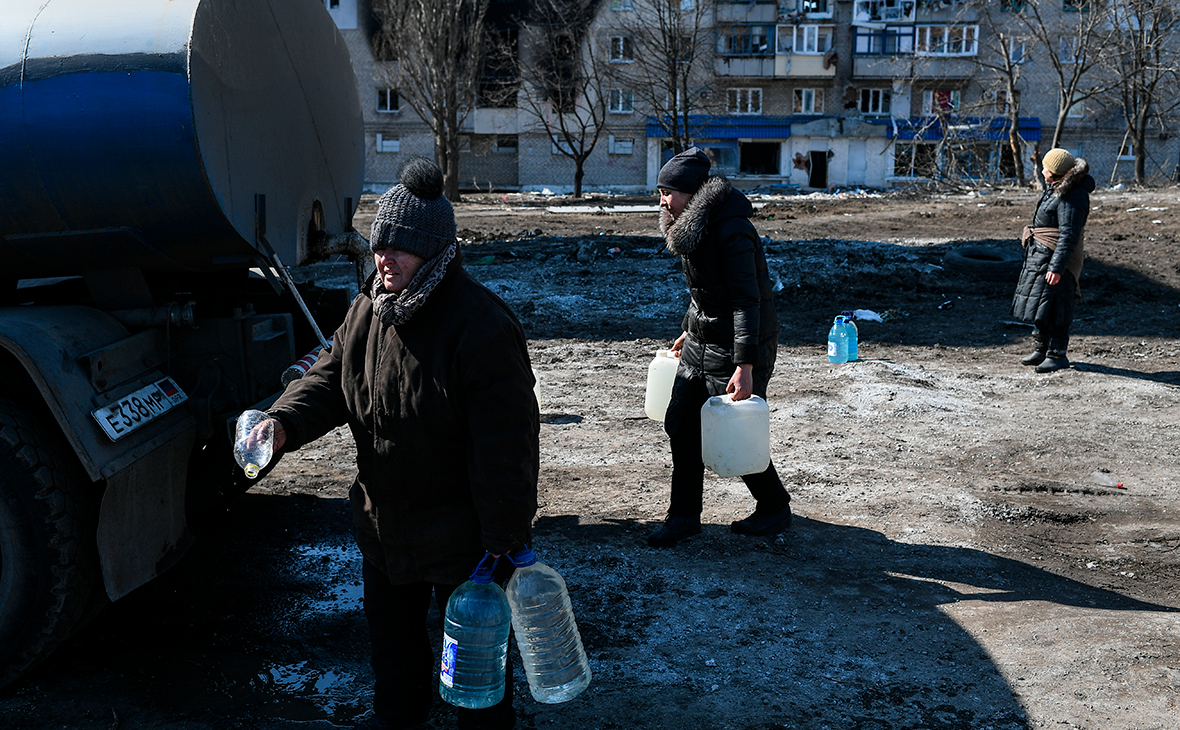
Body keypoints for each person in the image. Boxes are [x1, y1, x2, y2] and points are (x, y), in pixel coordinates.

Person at [252, 157, 539, 730]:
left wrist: (505, 538)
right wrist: (282, 423)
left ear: (433, 251)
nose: (383, 259)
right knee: (397, 672)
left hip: (467, 547)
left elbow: (507, 446)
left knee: (476, 682)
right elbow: (332, 376)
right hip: (385, 535)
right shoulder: (369, 310)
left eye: (399, 248)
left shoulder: (479, 327)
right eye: (381, 244)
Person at [647, 147, 792, 548]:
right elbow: (704, 294)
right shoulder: (688, 227)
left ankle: (775, 507)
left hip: (741, 346)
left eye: (669, 192)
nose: (663, 200)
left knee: (733, 432)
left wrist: (745, 365)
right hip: (702, 341)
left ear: (693, 193)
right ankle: (683, 518)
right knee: (681, 423)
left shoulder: (732, 230)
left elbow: (748, 301)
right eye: (659, 191)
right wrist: (686, 330)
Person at [1012, 148, 1095, 373]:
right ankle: (1041, 349)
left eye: (1045, 167)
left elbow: (1068, 235)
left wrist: (1057, 267)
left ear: (1056, 172)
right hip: (1042, 255)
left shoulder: (1073, 195)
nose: (1041, 170)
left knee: (1058, 306)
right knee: (1042, 304)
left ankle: (1057, 354)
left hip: (1058, 259)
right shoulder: (1055, 188)